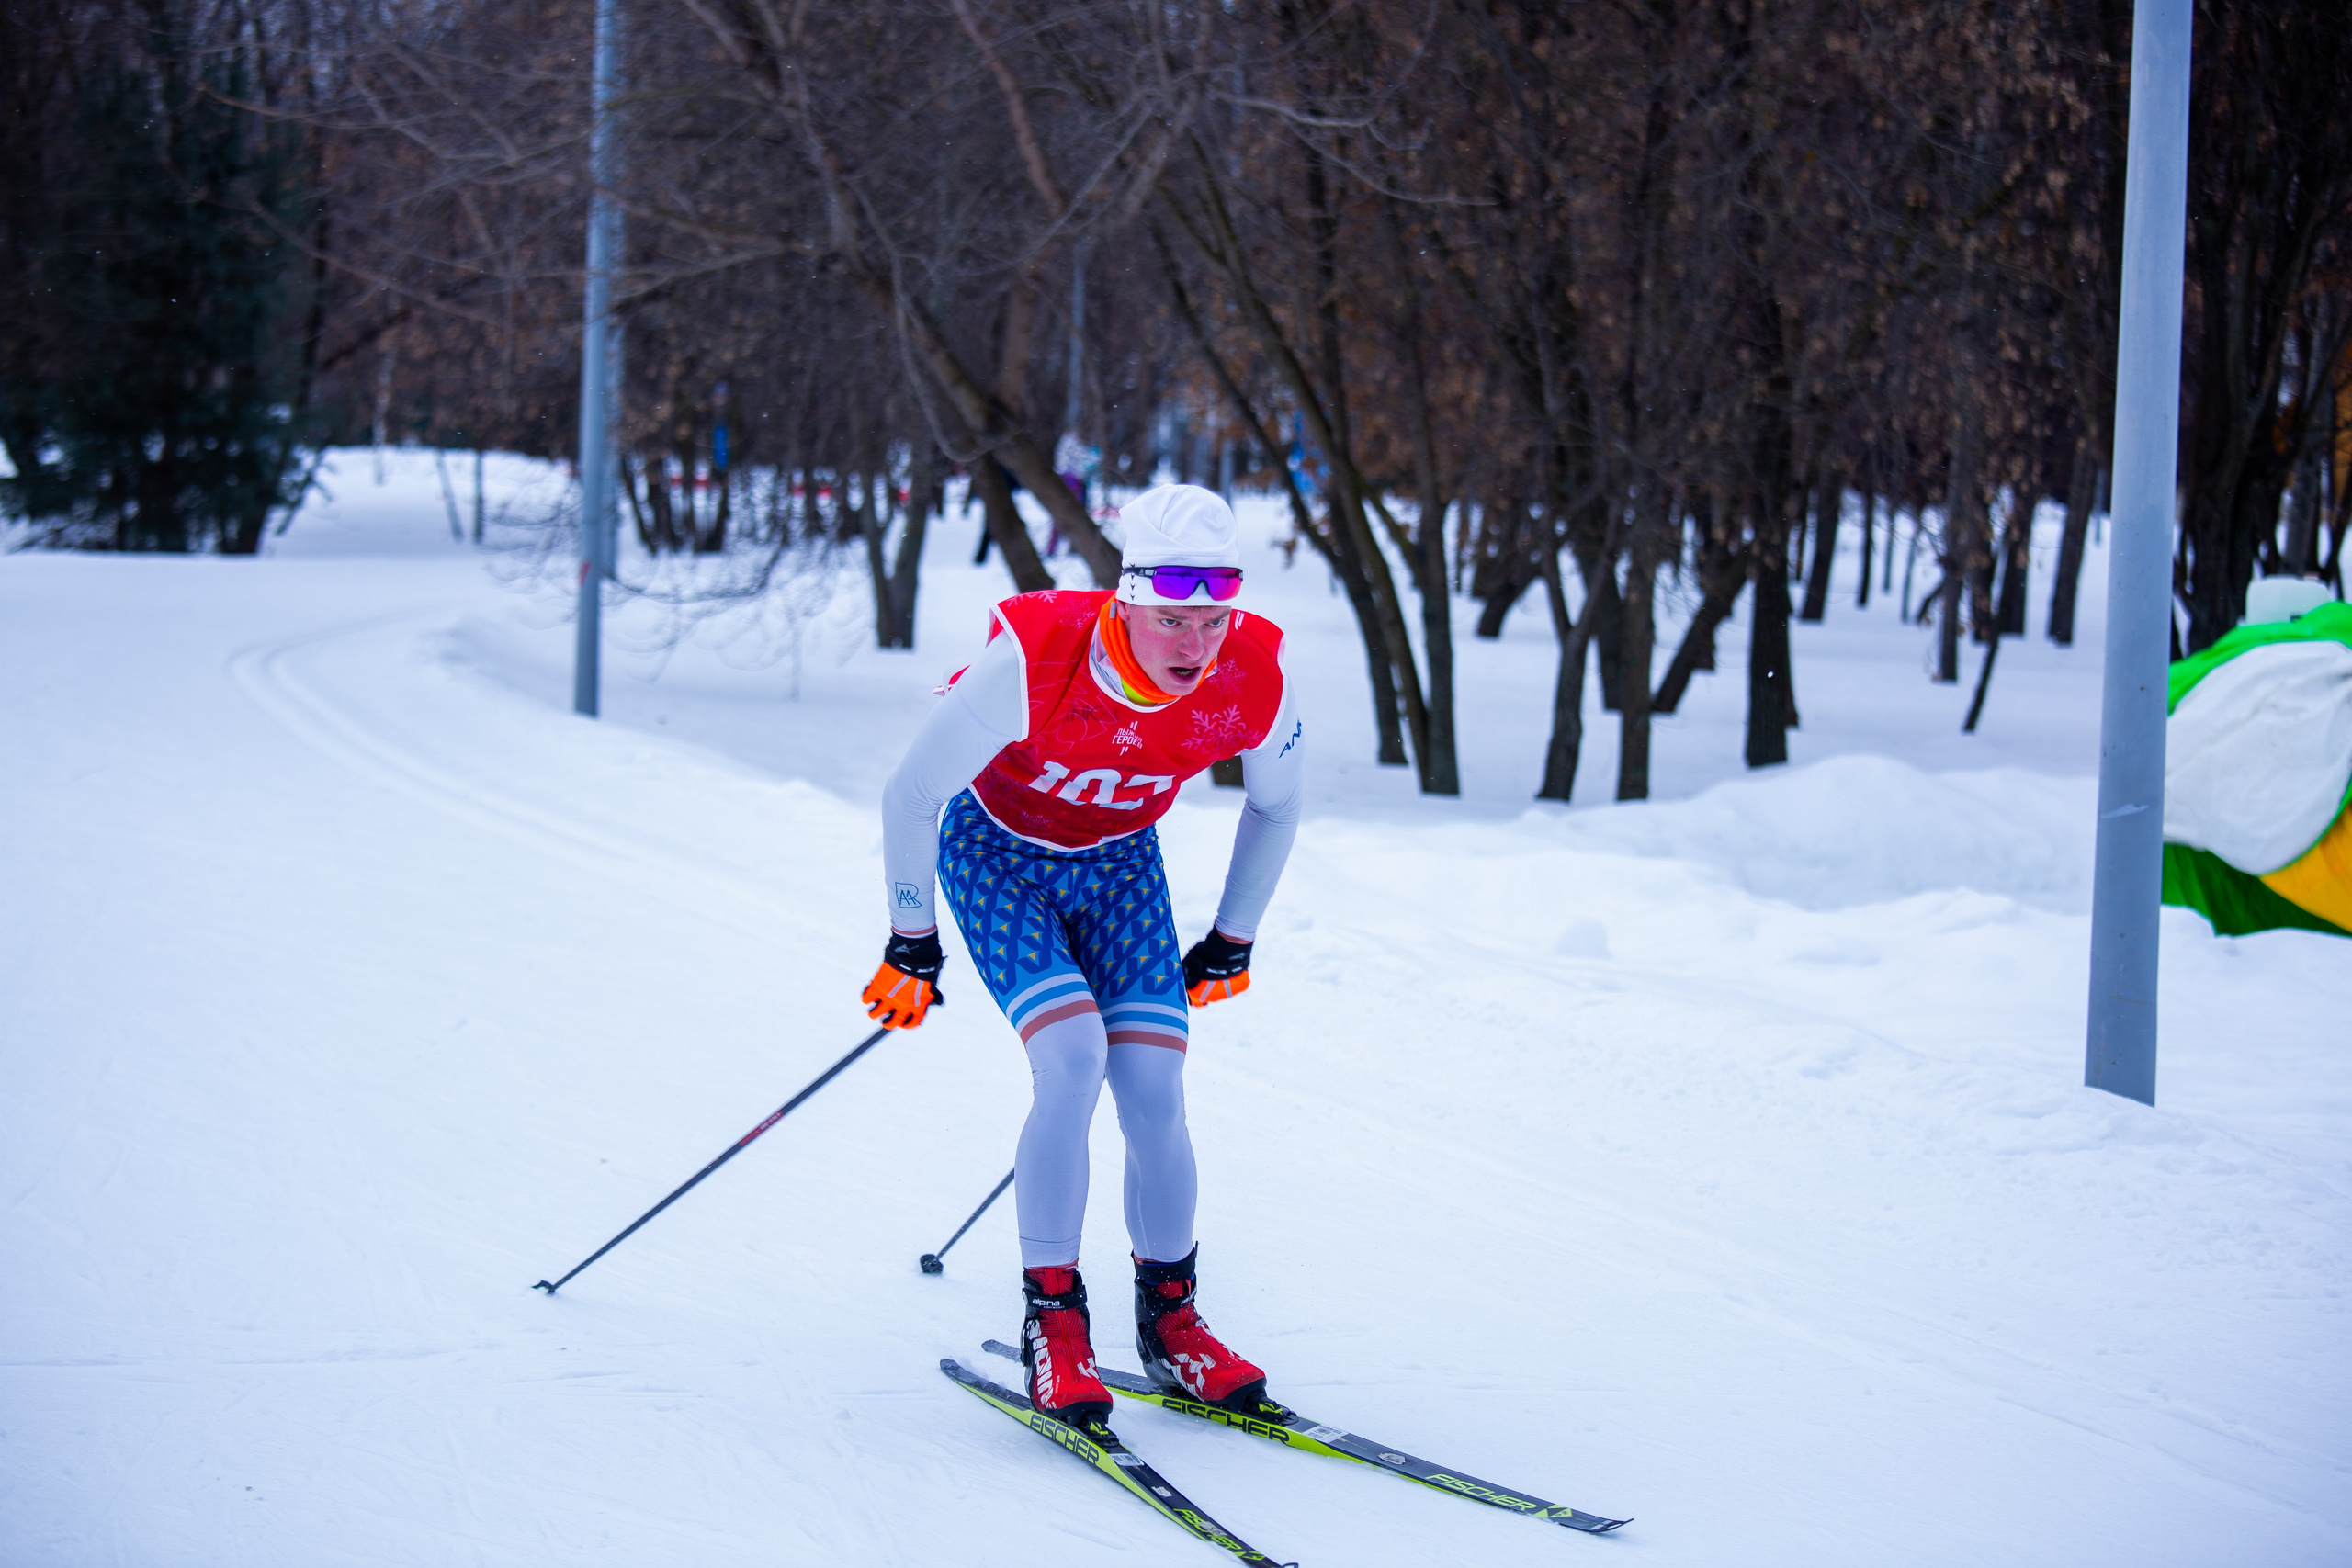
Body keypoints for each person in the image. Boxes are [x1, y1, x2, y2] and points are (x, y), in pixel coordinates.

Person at [864, 483, 1305, 1429]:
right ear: (1127, 601)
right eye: (1173, 620)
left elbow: (1276, 803)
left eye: (1214, 619)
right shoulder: (1038, 656)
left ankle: (1172, 1325)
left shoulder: (1253, 673)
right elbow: (911, 795)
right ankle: (1054, 1324)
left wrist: (1234, 936)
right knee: (1071, 1061)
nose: (1197, 643)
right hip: (996, 855)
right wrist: (910, 939)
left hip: (1117, 868)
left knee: (1152, 1086)